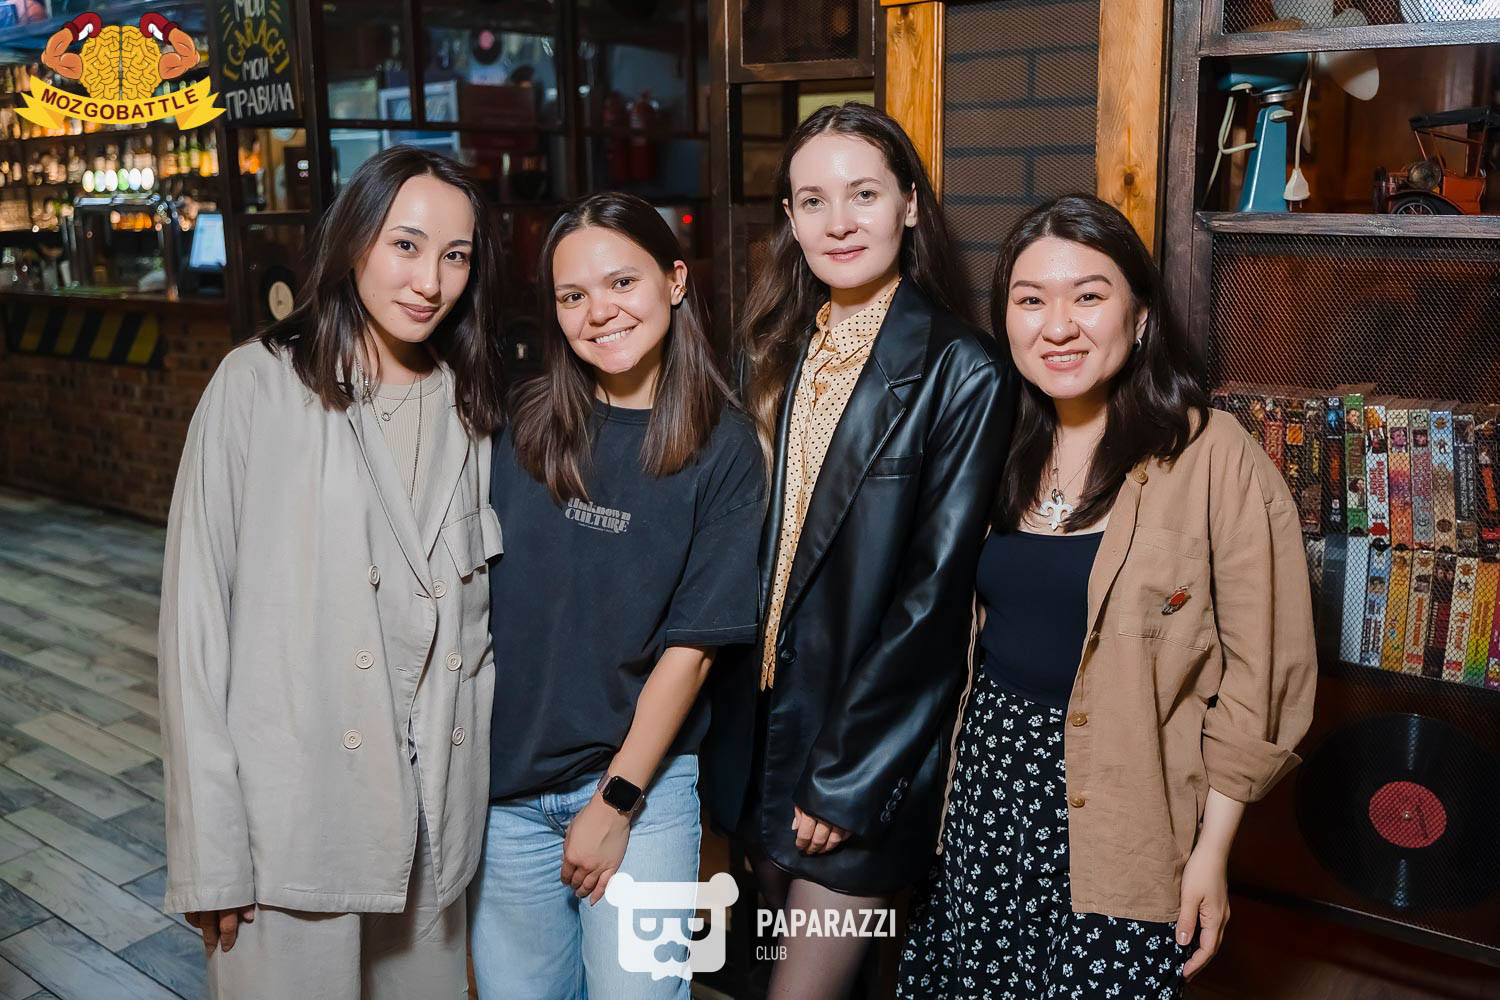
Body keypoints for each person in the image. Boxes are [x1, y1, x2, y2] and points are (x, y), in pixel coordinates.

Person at [898, 194, 1317, 999]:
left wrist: (1212, 853)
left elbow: (1264, 674)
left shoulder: (1212, 455)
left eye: (1088, 295)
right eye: (1031, 301)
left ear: (1141, 315)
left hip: (1131, 822)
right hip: (985, 800)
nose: (1058, 326)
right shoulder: (993, 442)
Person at [158, 144, 506, 999]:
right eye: (405, 245)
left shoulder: (469, 405)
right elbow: (194, 625)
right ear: (353, 242)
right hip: (291, 830)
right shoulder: (257, 385)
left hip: (432, 834)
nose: (430, 280)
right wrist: (212, 853)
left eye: (456, 256)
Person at [703, 103, 1016, 999]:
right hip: (760, 733)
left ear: (910, 205)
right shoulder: (774, 352)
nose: (838, 222)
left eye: (864, 194)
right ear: (790, 219)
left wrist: (849, 778)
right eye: (813, 201)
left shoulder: (962, 369)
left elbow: (933, 598)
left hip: (859, 744)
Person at [468, 192, 764, 999]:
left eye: (622, 282)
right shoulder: (518, 425)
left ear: (675, 280)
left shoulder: (724, 447)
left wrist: (616, 801)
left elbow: (693, 652)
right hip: (506, 795)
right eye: (573, 295)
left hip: (645, 791)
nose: (600, 311)